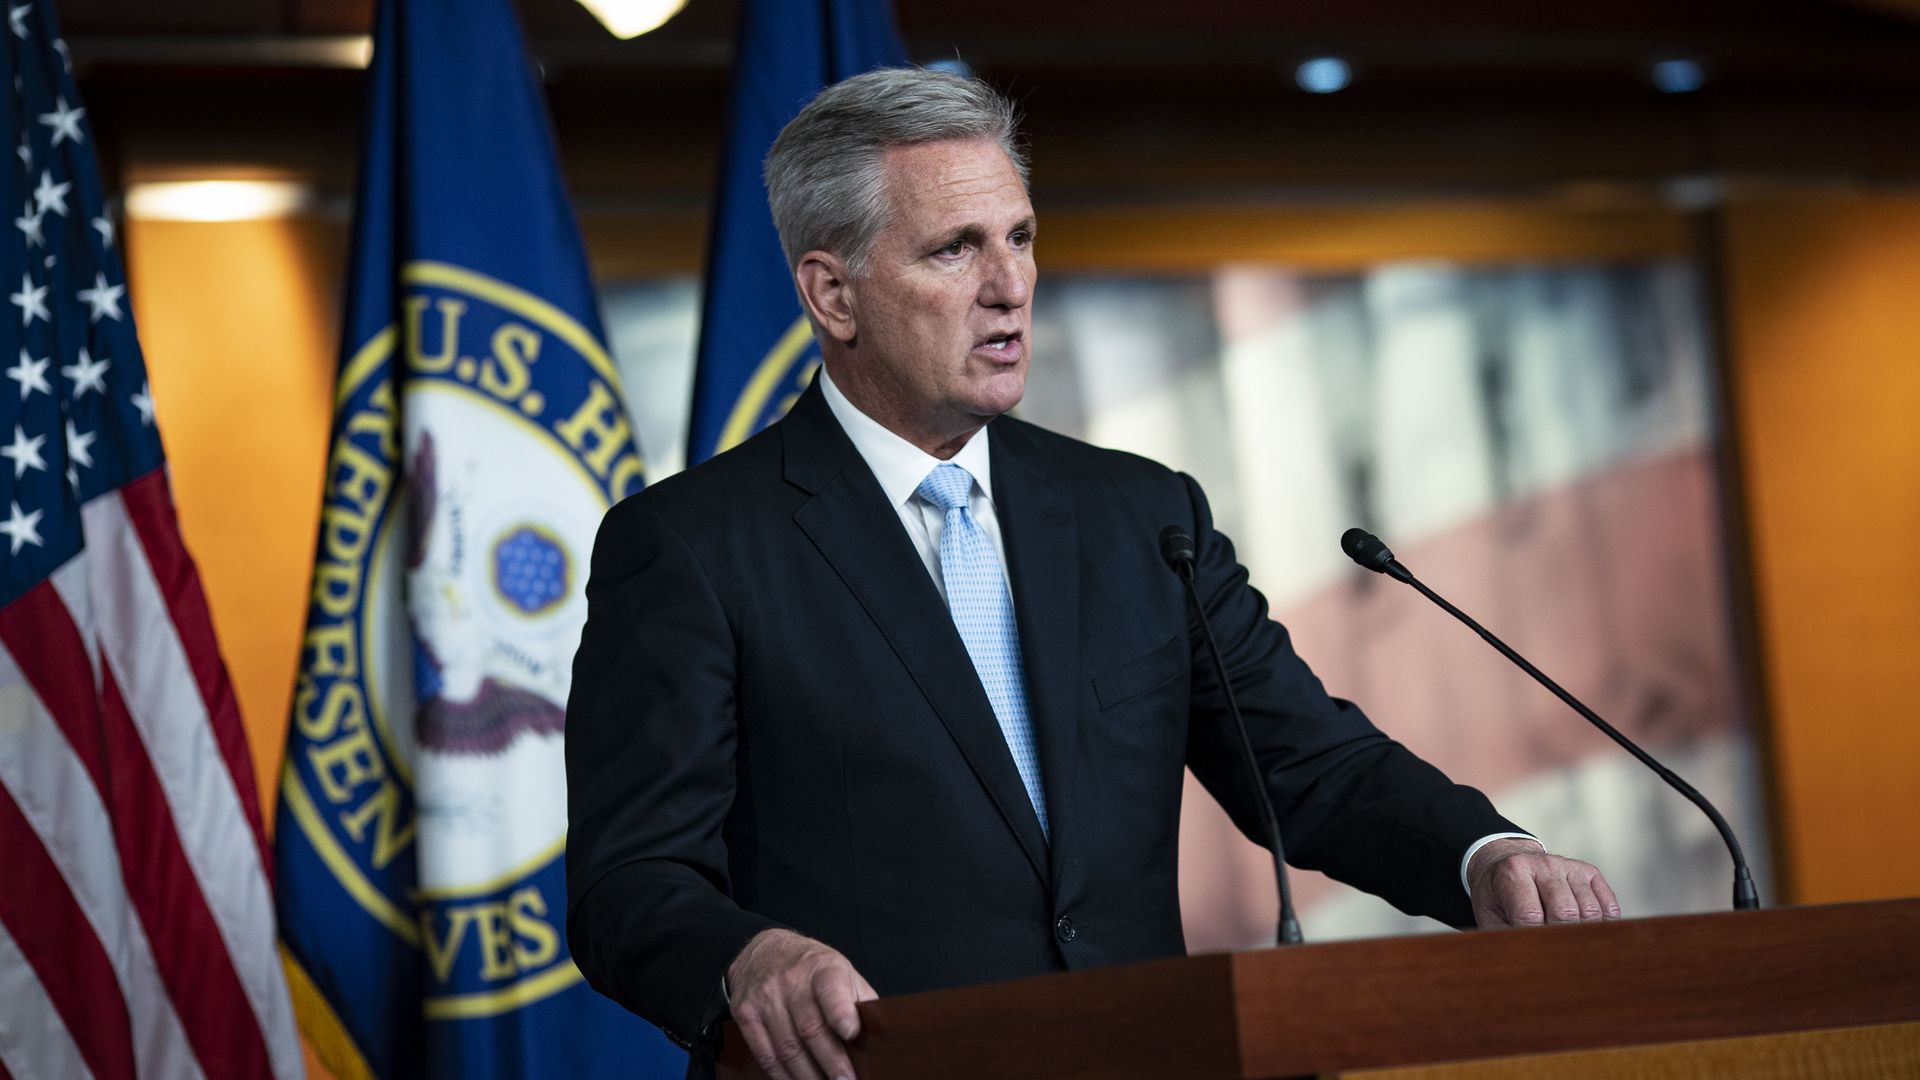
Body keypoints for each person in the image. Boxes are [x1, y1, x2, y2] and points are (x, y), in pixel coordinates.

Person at [566, 67, 1618, 1080]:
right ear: (833, 295)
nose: (1010, 284)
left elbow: (1307, 765)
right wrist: (748, 960)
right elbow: (629, 882)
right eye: (955, 250)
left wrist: (1482, 853)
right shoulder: (693, 546)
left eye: (1020, 236)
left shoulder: (1139, 517)